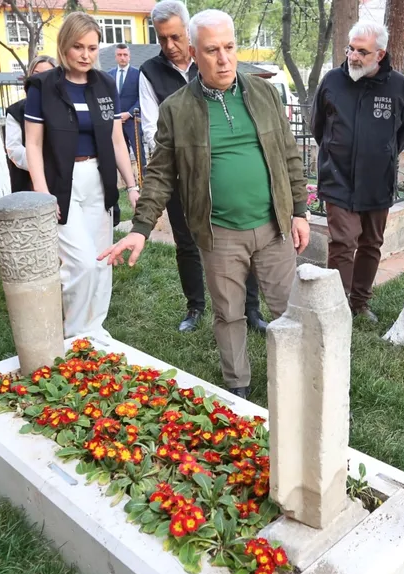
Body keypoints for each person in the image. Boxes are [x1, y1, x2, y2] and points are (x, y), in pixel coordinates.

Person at [101, 9, 310, 400]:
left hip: (273, 226)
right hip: (220, 232)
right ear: (195, 53)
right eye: (212, 50)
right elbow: (160, 173)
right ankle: (239, 389)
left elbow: (288, 155)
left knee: (288, 312)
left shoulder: (264, 93)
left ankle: (297, 383)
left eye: (229, 47)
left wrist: (300, 210)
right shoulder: (177, 109)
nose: (224, 58)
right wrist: (141, 228)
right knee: (228, 313)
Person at [139, 0, 264, 334]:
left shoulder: (211, 59)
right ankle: (195, 306)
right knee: (187, 242)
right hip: (182, 175)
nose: (169, 45)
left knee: (241, 238)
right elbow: (152, 129)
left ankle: (251, 309)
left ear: (189, 36)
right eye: (162, 38)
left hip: (222, 175)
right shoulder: (150, 72)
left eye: (175, 36)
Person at [25, 13, 140, 340]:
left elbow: (117, 139)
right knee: (81, 264)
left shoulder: (105, 84)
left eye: (92, 47)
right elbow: (32, 145)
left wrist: (131, 185)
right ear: (64, 46)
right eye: (78, 47)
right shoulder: (43, 86)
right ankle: (74, 334)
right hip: (62, 182)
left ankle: (95, 327)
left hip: (98, 180)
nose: (85, 54)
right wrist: (43, 193)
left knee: (102, 262)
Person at [311, 20, 404, 323]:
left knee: (371, 243)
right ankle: (337, 305)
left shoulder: (399, 86)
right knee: (343, 244)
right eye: (351, 48)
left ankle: (359, 302)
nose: (353, 56)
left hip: (376, 181)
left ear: (379, 55)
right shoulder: (332, 81)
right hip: (339, 179)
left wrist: (380, 154)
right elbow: (317, 126)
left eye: (362, 51)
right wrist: (336, 152)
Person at [4, 55, 56, 193]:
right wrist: (41, 166)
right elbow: (14, 149)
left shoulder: (65, 109)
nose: (41, 79)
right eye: (36, 74)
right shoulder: (16, 111)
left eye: (47, 74)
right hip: (28, 181)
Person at [110, 43, 141, 169]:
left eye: (125, 55)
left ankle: (143, 182)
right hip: (116, 123)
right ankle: (128, 183)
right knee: (121, 155)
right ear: (115, 57)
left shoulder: (138, 74)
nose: (122, 57)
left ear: (129, 56)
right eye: (119, 55)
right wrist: (115, 115)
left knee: (139, 155)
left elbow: (142, 98)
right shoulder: (109, 75)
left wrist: (128, 113)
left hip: (133, 121)